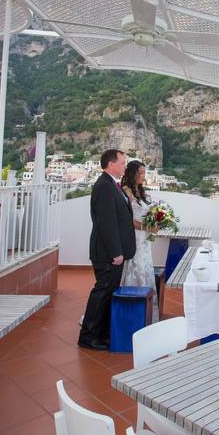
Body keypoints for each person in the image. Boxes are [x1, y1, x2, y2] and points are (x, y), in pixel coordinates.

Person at [78, 149, 136, 350]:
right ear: (111, 164)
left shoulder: (112, 185)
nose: (124, 167)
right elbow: (106, 223)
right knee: (102, 292)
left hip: (112, 251)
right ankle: (88, 337)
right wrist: (116, 252)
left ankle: (100, 333)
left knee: (107, 292)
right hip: (107, 253)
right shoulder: (104, 186)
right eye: (122, 163)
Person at [119, 159, 159, 322]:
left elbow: (147, 212)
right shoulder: (125, 191)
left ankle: (146, 309)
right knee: (134, 266)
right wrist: (147, 227)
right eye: (141, 173)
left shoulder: (141, 191)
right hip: (134, 236)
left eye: (144, 173)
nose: (143, 176)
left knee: (145, 267)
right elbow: (127, 219)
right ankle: (131, 308)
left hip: (144, 239)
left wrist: (155, 221)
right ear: (133, 173)